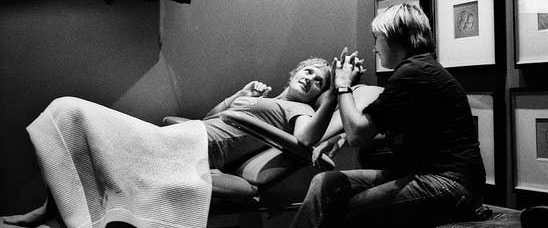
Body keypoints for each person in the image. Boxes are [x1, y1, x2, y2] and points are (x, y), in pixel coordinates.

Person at [3, 57, 336, 228]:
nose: (311, 79)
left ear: (320, 92)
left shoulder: (299, 108)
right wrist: (235, 98)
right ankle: (50, 211)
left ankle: (58, 216)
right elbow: (207, 118)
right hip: (186, 136)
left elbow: (305, 140)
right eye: (308, 72)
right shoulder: (265, 98)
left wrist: (331, 99)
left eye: (318, 81)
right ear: (295, 72)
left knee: (72, 110)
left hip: (193, 150)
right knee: (73, 120)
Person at [290, 4, 486, 227]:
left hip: (448, 183)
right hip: (424, 175)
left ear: (394, 37)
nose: (374, 48)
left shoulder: (412, 73)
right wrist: (340, 139)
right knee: (325, 183)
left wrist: (343, 85)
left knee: (350, 208)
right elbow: (381, 130)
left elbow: (358, 134)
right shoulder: (416, 69)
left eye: (377, 38)